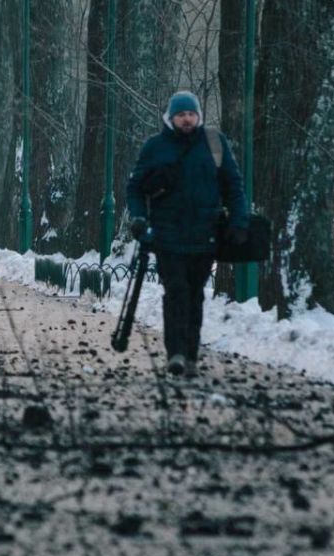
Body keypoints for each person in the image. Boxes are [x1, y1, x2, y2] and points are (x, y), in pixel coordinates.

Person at [125, 90, 247, 377]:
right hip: (168, 237)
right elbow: (135, 187)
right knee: (176, 292)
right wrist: (139, 217)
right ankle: (176, 353)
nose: (187, 119)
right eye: (181, 115)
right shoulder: (155, 148)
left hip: (204, 236)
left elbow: (233, 185)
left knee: (195, 295)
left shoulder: (215, 144)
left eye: (191, 114)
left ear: (198, 116)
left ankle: (190, 354)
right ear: (171, 118)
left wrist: (239, 221)